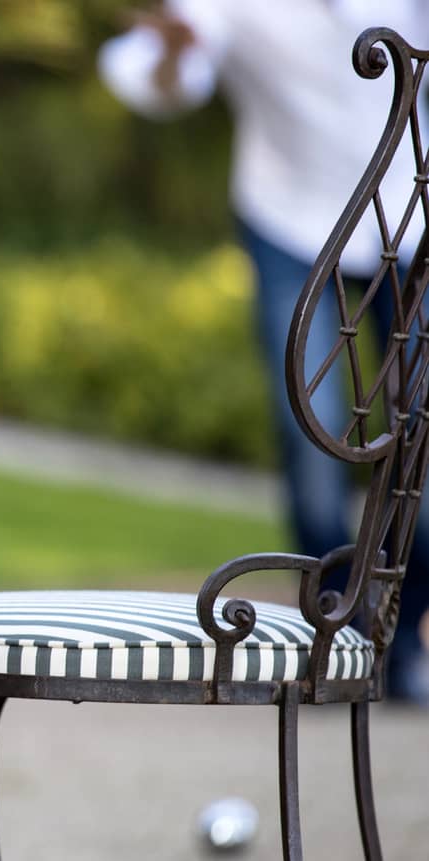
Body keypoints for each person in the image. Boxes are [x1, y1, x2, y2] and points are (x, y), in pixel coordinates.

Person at [99, 0, 429, 702]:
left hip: (410, 216)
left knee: (419, 443)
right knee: (310, 430)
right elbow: (158, 74)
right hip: (290, 222)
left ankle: (401, 637)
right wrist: (171, 50)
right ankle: (334, 633)